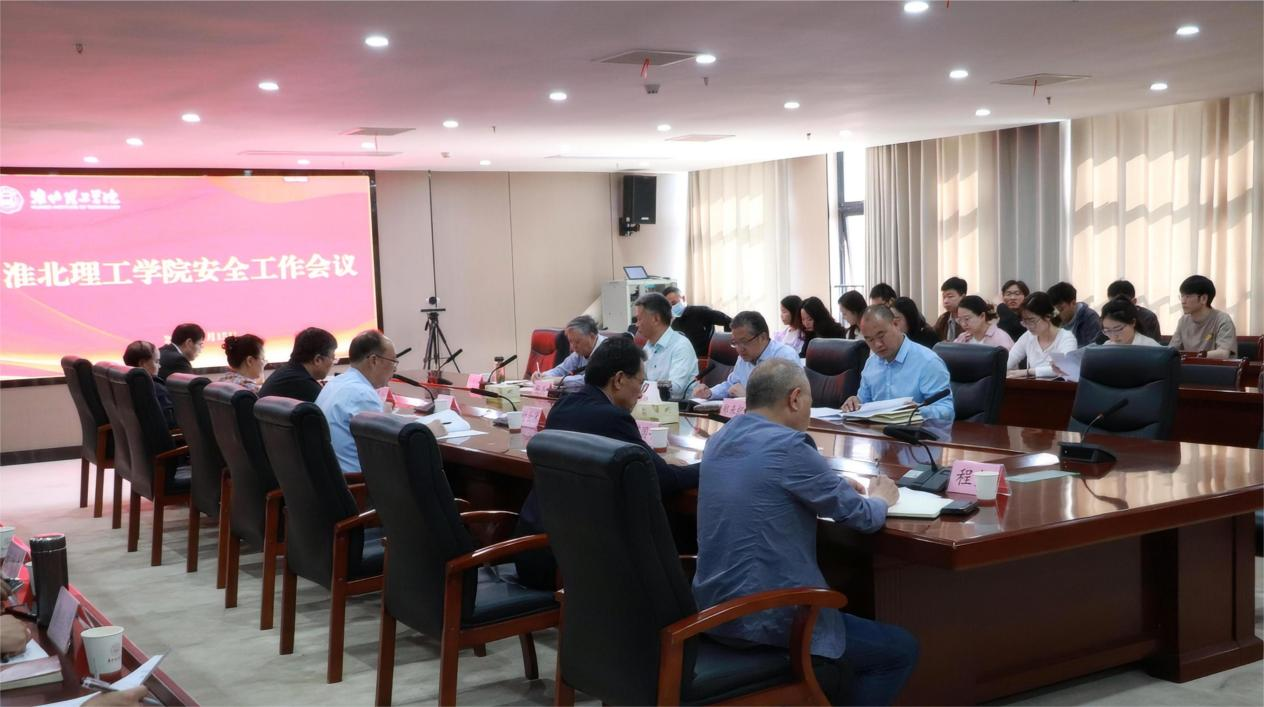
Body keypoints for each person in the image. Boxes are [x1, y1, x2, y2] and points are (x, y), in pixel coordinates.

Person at [693, 359, 917, 706]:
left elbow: (769, 482)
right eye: (810, 401)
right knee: (899, 651)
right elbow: (862, 517)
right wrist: (881, 499)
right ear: (795, 398)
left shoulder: (720, 439)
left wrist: (830, 484)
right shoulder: (790, 446)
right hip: (765, 619)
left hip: (712, 612)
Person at [514, 335, 700, 589]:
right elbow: (664, 480)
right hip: (576, 567)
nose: (640, 393)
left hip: (537, 550)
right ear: (619, 379)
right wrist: (711, 464)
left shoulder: (562, 407)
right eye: (640, 383)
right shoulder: (612, 418)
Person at [316, 330, 437, 473]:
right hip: (358, 481)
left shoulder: (334, 383)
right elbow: (387, 449)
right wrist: (426, 431)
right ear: (374, 360)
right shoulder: (362, 394)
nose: (395, 369)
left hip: (332, 476)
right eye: (393, 362)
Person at [842, 306, 955, 421]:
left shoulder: (928, 361)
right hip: (878, 430)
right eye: (870, 340)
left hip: (915, 430)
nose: (877, 344)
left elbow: (947, 410)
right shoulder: (871, 363)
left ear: (895, 324)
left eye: (881, 336)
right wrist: (855, 403)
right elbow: (863, 402)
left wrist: (919, 412)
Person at [692, 311, 800, 400]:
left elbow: (788, 398)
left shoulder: (785, 357)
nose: (739, 349)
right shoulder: (743, 358)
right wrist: (710, 393)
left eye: (744, 342)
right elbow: (731, 384)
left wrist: (749, 397)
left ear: (762, 337)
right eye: (735, 343)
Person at [1007, 292, 1078, 378]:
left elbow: (1064, 368)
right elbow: (1009, 360)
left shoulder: (1066, 338)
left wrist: (1028, 372)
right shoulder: (1028, 336)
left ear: (1048, 317)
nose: (1028, 326)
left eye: (1032, 321)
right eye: (1025, 322)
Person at [258, 327, 338, 402]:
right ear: (317, 360)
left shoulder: (285, 373)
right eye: (333, 358)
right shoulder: (306, 386)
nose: (333, 363)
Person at [1169, 275, 1237, 358]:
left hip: (1213, 366)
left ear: (1204, 299)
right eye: (1182, 296)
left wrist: (1194, 357)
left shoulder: (1223, 320)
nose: (1183, 301)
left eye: (1187, 296)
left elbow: (1223, 353)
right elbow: (1171, 351)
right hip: (1189, 365)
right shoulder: (1183, 321)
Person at [531, 315, 605, 388]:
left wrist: (560, 380)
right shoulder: (580, 352)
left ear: (592, 336)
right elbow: (561, 369)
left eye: (577, 342)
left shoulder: (607, 350)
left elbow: (591, 379)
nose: (573, 347)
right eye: (571, 341)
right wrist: (543, 375)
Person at [123, 340, 177, 428]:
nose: (159, 366)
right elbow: (171, 420)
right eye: (156, 361)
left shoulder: (123, 383)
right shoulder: (154, 387)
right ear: (142, 364)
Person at [1047, 282, 1102, 348]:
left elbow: (1094, 348)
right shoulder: (1052, 319)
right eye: (1054, 310)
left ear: (1073, 303)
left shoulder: (1090, 318)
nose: (1057, 314)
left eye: (1061, 309)